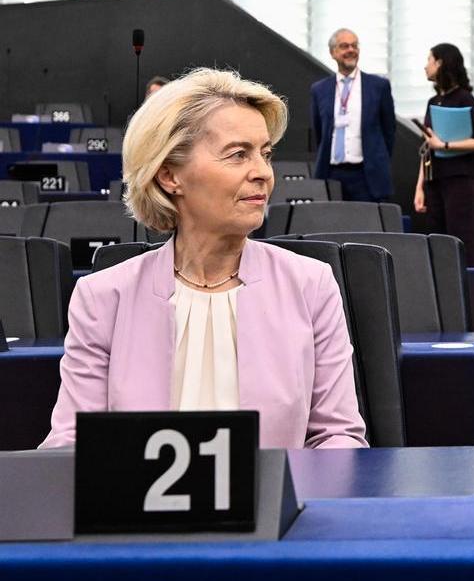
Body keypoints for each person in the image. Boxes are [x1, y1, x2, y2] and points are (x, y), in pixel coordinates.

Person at [41, 68, 368, 450]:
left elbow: (337, 436)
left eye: (265, 154)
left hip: (277, 508)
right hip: (132, 510)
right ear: (169, 176)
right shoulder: (102, 297)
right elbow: (72, 444)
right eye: (238, 154)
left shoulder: (311, 285)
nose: (263, 173)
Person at [414, 43, 474, 265]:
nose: (425, 66)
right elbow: (428, 146)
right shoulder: (433, 101)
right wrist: (420, 186)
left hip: (460, 179)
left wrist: (444, 145)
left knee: (461, 237)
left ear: (440, 63)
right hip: (434, 179)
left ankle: (465, 290)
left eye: (429, 60)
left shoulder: (464, 98)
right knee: (437, 239)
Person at [311, 28, 397, 201]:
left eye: (354, 45)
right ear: (333, 52)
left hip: (367, 175)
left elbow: (389, 130)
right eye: (344, 46)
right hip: (332, 174)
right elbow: (320, 133)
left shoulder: (378, 86)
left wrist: (378, 159)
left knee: (367, 226)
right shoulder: (319, 90)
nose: (351, 50)